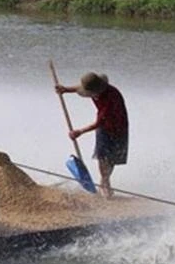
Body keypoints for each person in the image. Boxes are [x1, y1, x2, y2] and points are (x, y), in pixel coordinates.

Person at [55, 71, 129, 199]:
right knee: (102, 156)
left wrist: (79, 132)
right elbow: (79, 88)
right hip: (104, 127)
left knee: (110, 158)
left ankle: (104, 184)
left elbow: (99, 123)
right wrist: (65, 89)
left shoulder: (110, 99)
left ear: (97, 91)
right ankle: (105, 184)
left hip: (118, 127)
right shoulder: (95, 88)